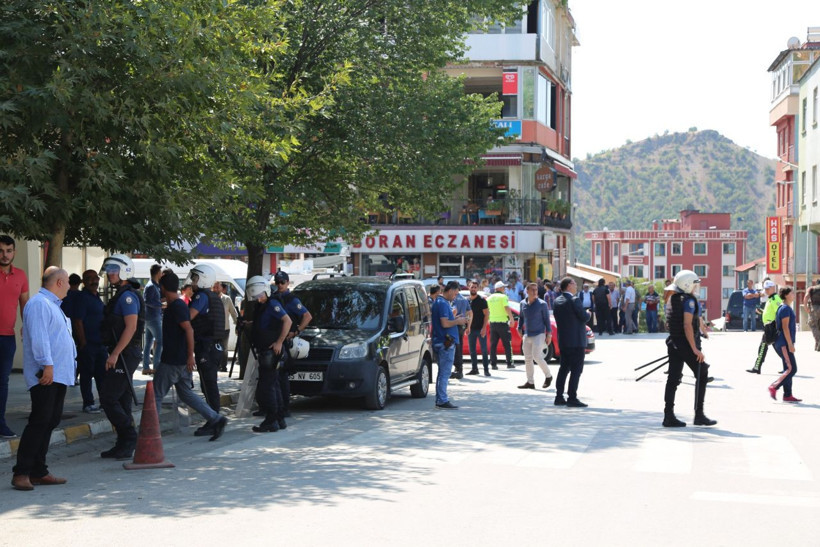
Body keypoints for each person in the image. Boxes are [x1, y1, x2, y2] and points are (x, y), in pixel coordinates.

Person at [11, 267, 74, 491]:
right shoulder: (39, 304)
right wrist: (47, 365)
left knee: (50, 421)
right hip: (46, 374)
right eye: (67, 281)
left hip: (58, 374)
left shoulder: (53, 306)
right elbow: (40, 339)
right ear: (58, 282)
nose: (69, 285)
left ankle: (39, 470)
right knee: (40, 421)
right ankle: (22, 472)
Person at [152, 272, 227, 441]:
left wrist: (189, 357)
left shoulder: (177, 307)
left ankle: (151, 432)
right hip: (181, 359)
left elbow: (189, 330)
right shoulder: (176, 305)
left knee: (156, 393)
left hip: (174, 359)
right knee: (186, 393)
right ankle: (216, 418)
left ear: (163, 288)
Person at [98, 254, 144, 460]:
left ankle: (130, 437)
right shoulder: (120, 294)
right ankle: (123, 443)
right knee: (122, 398)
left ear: (125, 271)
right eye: (108, 270)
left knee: (108, 397)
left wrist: (115, 354)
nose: (110, 274)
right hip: (122, 352)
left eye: (114, 270)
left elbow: (131, 326)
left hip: (125, 353)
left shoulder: (127, 297)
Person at [662, 270, 716, 428]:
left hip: (673, 343)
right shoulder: (689, 301)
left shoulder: (672, 299)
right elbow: (687, 325)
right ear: (686, 285)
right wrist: (695, 349)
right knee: (702, 372)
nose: (696, 287)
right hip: (684, 344)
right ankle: (699, 415)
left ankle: (668, 415)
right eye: (694, 284)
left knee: (673, 379)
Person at [246, 276, 291, 431]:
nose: (257, 298)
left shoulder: (272, 303)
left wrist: (279, 342)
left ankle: (271, 420)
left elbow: (288, 321)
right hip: (266, 351)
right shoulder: (263, 306)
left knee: (267, 387)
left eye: (258, 295)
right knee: (273, 385)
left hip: (271, 353)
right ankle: (279, 419)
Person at [185, 264, 225, 428]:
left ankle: (214, 420)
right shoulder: (213, 297)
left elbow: (188, 317)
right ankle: (214, 418)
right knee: (209, 384)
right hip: (213, 347)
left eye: (195, 279)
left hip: (206, 347)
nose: (193, 282)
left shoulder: (201, 297)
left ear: (203, 279)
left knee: (208, 385)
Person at [0, 235, 30, 439]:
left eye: (9, 251)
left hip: (7, 338)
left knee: (2, 382)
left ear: (14, 252)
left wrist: (28, 330)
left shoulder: (21, 276)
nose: (5, 255)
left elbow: (25, 307)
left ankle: (0, 424)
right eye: (1, 251)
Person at [270, 270, 311, 417]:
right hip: (274, 340)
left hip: (286, 341)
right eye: (277, 282)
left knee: (282, 375)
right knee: (273, 376)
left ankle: (284, 408)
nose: (279, 285)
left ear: (287, 283)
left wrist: (297, 331)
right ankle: (274, 407)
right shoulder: (273, 298)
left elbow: (307, 316)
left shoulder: (291, 299)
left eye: (282, 282)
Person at [70, 270, 106, 414]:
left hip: (100, 343)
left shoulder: (96, 297)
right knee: (86, 374)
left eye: (95, 278)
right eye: (89, 279)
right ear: (83, 282)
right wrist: (83, 342)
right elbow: (77, 321)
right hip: (89, 343)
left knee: (102, 374)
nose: (93, 281)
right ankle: (88, 403)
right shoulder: (82, 298)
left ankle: (105, 402)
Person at [552, 278, 589, 407]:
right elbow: (583, 317)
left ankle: (559, 396)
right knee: (576, 370)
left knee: (563, 369)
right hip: (577, 341)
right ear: (568, 286)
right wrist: (588, 313)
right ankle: (572, 397)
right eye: (574, 283)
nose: (576, 286)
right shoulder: (574, 300)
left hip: (564, 340)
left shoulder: (557, 301)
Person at [431, 281, 468, 409]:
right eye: (455, 293)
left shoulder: (440, 302)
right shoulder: (441, 303)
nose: (455, 297)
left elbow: (445, 321)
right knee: (445, 373)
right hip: (445, 343)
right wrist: (458, 321)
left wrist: (453, 317)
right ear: (451, 290)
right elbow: (445, 324)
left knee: (443, 372)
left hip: (442, 341)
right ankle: (442, 400)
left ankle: (441, 399)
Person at [517, 283, 553, 390]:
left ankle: (548, 376)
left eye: (536, 290)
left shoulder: (542, 304)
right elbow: (521, 317)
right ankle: (530, 382)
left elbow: (547, 320)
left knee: (537, 356)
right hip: (527, 334)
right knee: (527, 358)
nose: (535, 292)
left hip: (539, 333)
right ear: (527, 291)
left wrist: (549, 334)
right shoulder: (522, 303)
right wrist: (519, 327)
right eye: (532, 290)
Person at [769, 287, 801, 402]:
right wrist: (790, 344)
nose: (794, 294)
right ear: (786, 295)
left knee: (787, 369)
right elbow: (785, 328)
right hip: (784, 343)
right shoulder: (785, 309)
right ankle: (774, 386)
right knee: (792, 369)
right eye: (792, 293)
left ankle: (787, 395)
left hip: (783, 343)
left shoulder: (784, 308)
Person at [747, 280, 782, 374]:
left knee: (764, 346)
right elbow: (770, 313)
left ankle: (757, 367)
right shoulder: (770, 299)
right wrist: (761, 312)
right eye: (765, 289)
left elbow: (779, 312)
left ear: (773, 288)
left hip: (771, 326)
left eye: (768, 289)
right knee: (777, 347)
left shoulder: (775, 299)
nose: (766, 291)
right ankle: (787, 366)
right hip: (768, 326)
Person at [487, 280, 514, 370]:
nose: (504, 289)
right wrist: (511, 319)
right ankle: (509, 363)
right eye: (503, 287)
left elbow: (487, 311)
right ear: (499, 288)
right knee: (507, 344)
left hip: (493, 323)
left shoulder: (489, 298)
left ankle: (493, 364)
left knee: (493, 344)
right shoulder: (503, 297)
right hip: (502, 323)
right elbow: (507, 307)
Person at [465, 281, 490, 377]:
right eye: (472, 287)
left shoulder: (482, 300)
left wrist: (484, 328)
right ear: (469, 288)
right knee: (472, 350)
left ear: (478, 288)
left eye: (475, 287)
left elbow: (487, 314)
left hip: (480, 329)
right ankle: (474, 369)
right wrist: (467, 327)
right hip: (471, 329)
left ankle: (486, 370)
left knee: (484, 350)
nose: (473, 289)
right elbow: (467, 315)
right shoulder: (467, 300)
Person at [142, 264, 163, 375]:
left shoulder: (154, 285)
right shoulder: (151, 286)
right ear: (157, 273)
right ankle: (156, 366)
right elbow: (147, 301)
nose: (161, 274)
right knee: (160, 341)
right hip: (153, 317)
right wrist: (161, 305)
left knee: (148, 343)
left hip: (152, 317)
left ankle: (146, 367)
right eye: (160, 272)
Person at [213, 282, 238, 372]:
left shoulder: (227, 299)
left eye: (217, 287)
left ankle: (223, 366)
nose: (215, 289)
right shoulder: (210, 298)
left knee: (224, 348)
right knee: (214, 348)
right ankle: (215, 365)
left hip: (224, 328)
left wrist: (237, 324)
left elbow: (233, 312)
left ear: (221, 288)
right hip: (213, 328)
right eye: (214, 287)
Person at [450, 286, 471, 379]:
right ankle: (459, 369)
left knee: (453, 348)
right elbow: (470, 312)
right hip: (461, 326)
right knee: (459, 347)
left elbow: (454, 311)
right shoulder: (464, 299)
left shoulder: (454, 299)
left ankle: (458, 369)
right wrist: (468, 326)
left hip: (454, 325)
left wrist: (451, 318)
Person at [802, 280, 820, 351]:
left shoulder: (811, 288)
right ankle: (817, 345)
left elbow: (806, 297)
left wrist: (805, 307)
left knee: (813, 325)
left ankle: (818, 340)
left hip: (814, 309)